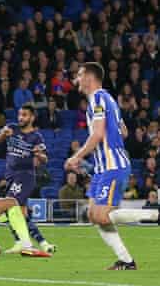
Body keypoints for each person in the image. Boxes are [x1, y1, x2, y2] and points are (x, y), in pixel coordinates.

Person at [64, 63, 160, 270]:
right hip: (101, 168)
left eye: (79, 75)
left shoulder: (98, 98)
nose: (76, 80)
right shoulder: (108, 100)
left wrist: (77, 156)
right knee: (92, 215)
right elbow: (123, 132)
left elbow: (98, 134)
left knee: (102, 215)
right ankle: (126, 260)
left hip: (112, 166)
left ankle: (154, 214)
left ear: (89, 78)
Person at [0, 103, 55, 254]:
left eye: (24, 115)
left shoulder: (36, 137)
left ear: (32, 117)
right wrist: (2, 134)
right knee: (20, 213)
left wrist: (39, 155)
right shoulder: (12, 128)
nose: (21, 118)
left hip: (25, 176)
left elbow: (45, 159)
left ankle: (22, 242)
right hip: (11, 175)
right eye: (20, 114)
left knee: (9, 206)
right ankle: (43, 243)